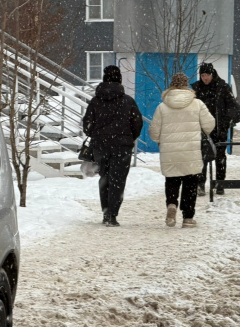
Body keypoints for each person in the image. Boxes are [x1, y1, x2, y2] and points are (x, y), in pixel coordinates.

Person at [149, 72, 215, 228]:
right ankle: (188, 217)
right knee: (190, 183)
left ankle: (172, 205)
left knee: (172, 180)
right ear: (187, 86)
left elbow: (153, 132)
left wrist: (161, 141)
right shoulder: (197, 104)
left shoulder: (162, 107)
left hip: (170, 151)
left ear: (171, 86)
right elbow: (209, 125)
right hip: (191, 151)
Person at [82, 65, 143, 227]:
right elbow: (137, 123)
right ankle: (112, 214)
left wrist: (97, 134)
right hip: (122, 146)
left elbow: (87, 125)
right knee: (118, 180)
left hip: (100, 146)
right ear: (119, 80)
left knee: (105, 178)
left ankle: (106, 211)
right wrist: (128, 137)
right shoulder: (128, 101)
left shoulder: (95, 101)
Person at [191, 62, 238, 196]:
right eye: (203, 75)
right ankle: (200, 184)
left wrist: (225, 122)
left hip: (219, 128)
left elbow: (233, 107)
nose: (205, 78)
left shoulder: (222, 87)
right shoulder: (196, 89)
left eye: (207, 75)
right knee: (201, 157)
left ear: (212, 74)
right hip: (201, 129)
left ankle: (220, 184)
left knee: (220, 157)